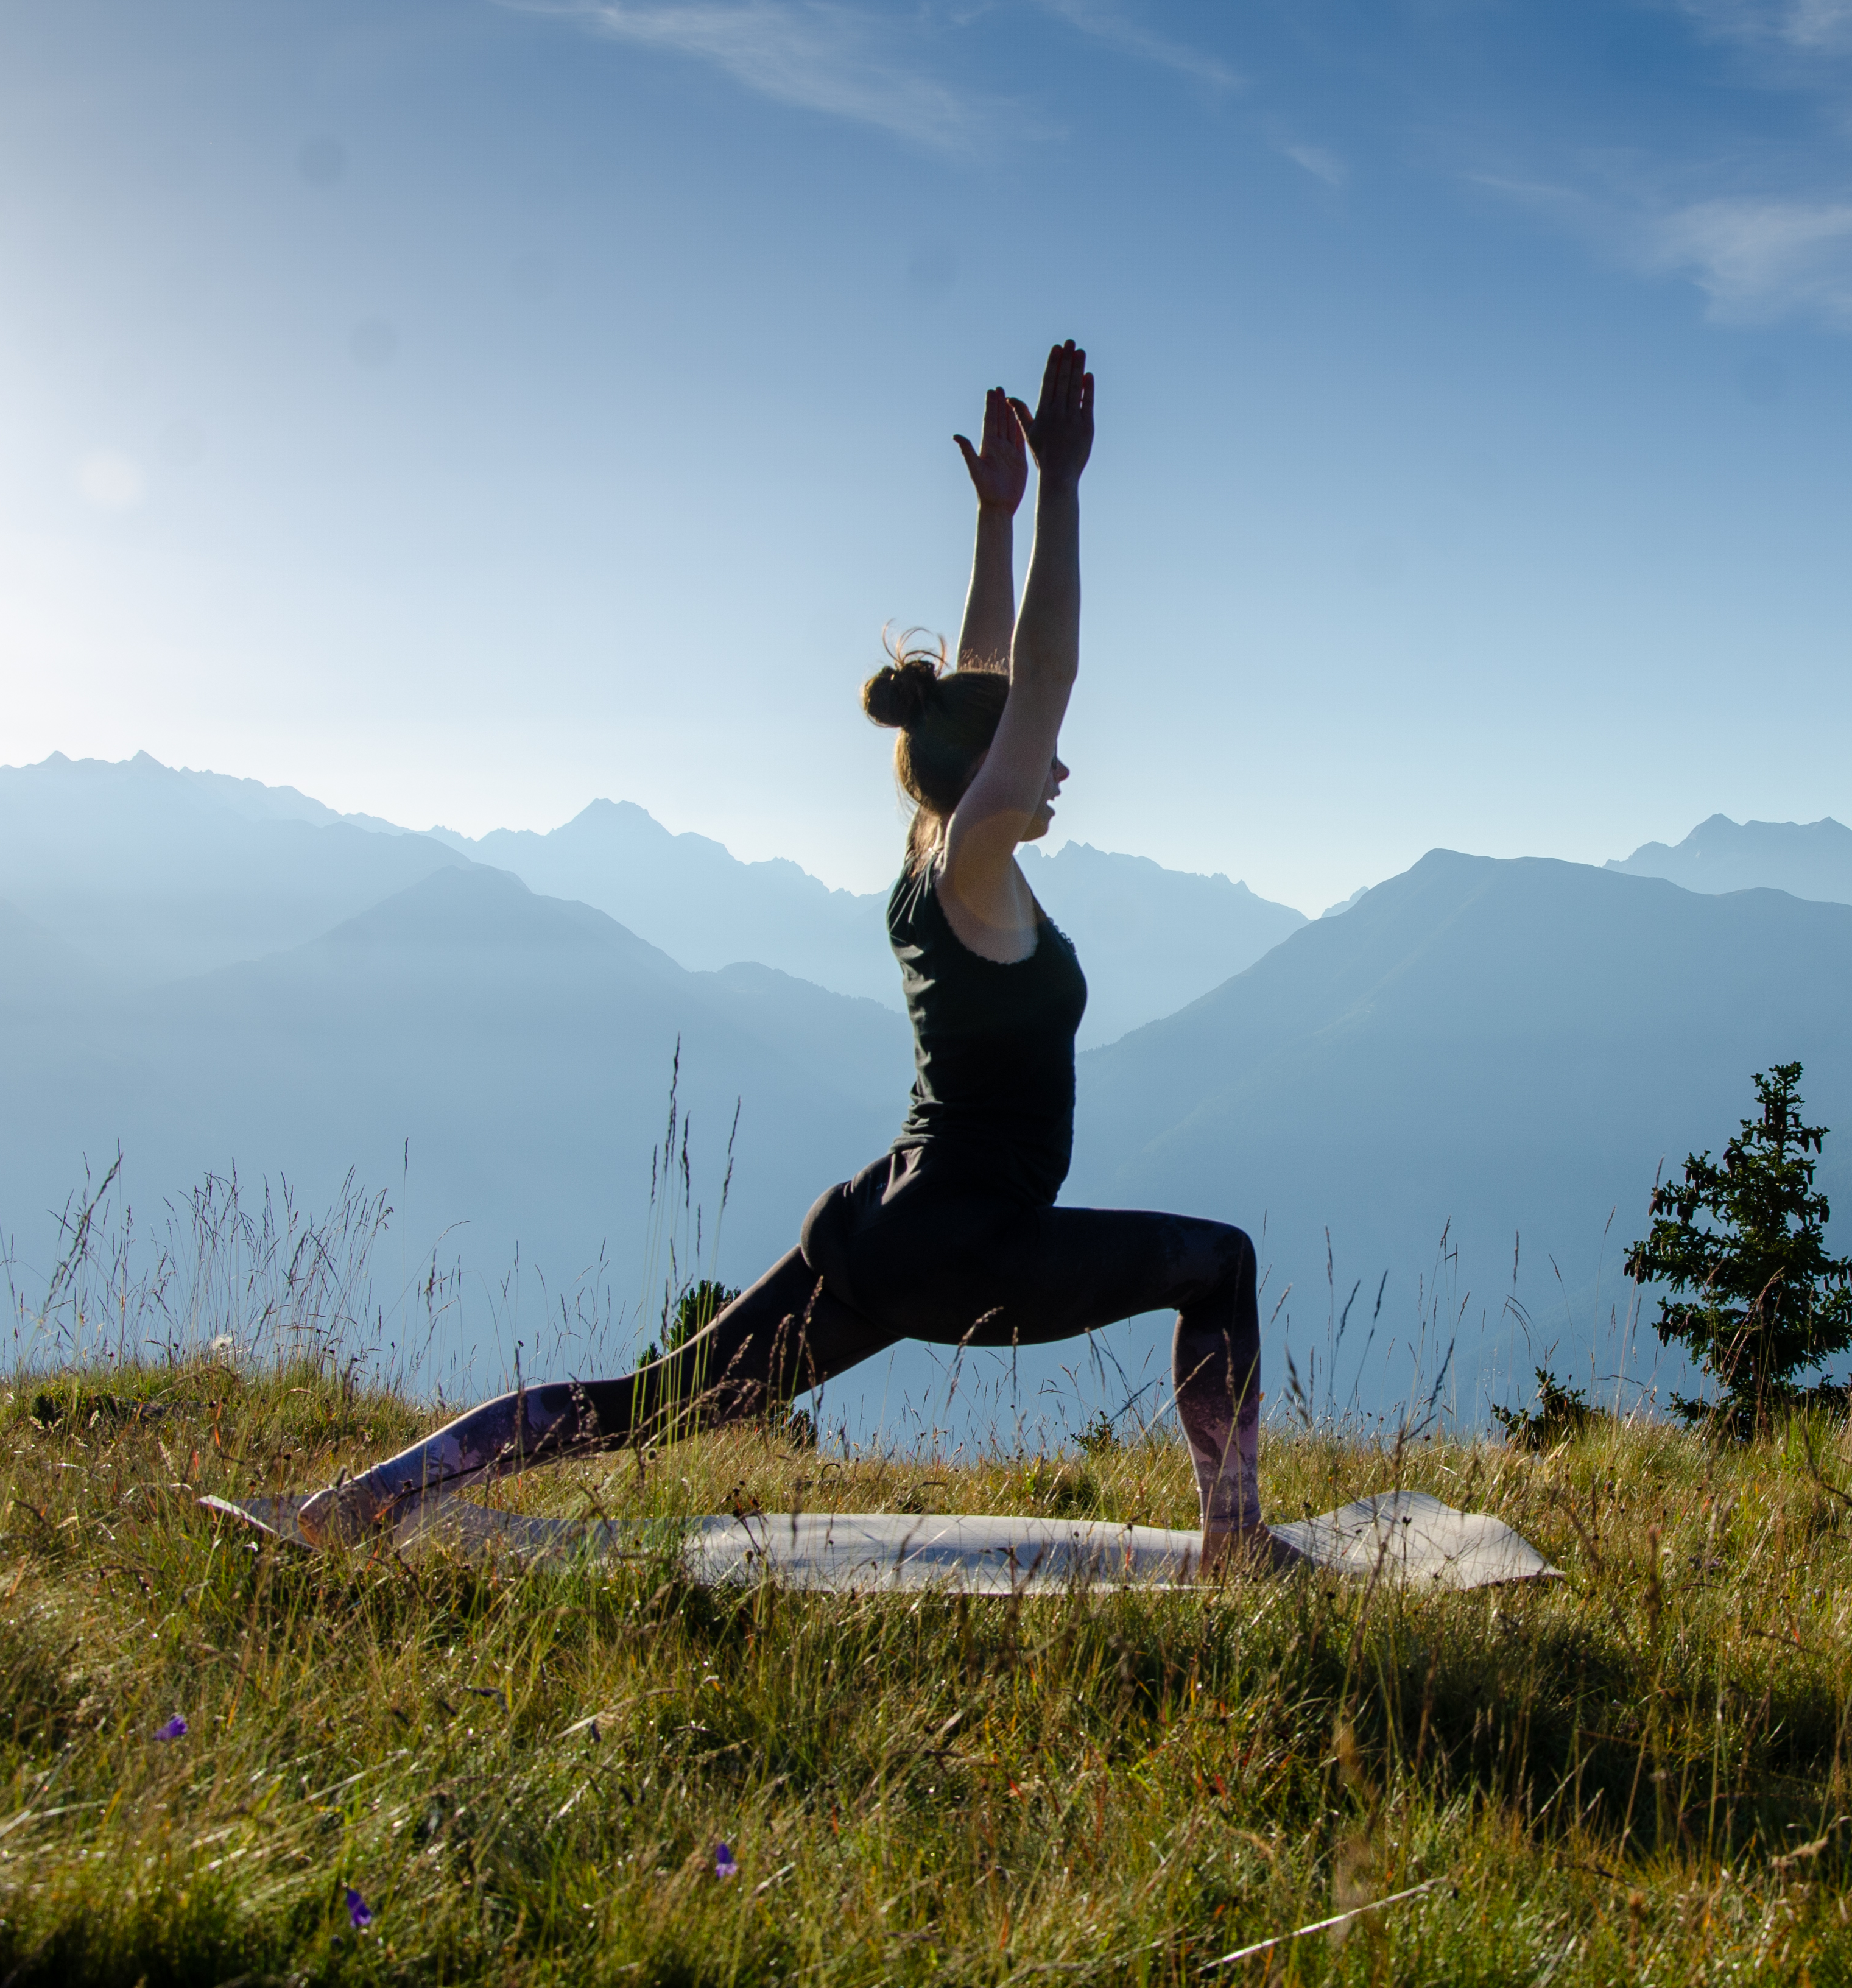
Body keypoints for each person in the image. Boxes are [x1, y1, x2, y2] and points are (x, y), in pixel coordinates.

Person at [295, 342, 1289, 1570]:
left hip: (879, 1221)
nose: (1061, 765)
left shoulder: (938, 848)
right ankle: (1235, 1544)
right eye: (1038, 753)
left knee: (650, 1404)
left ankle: (355, 1504)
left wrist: (996, 523)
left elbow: (982, 692)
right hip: (962, 1242)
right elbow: (1040, 677)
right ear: (994, 769)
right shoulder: (976, 860)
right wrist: (1065, 492)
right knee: (1219, 1265)